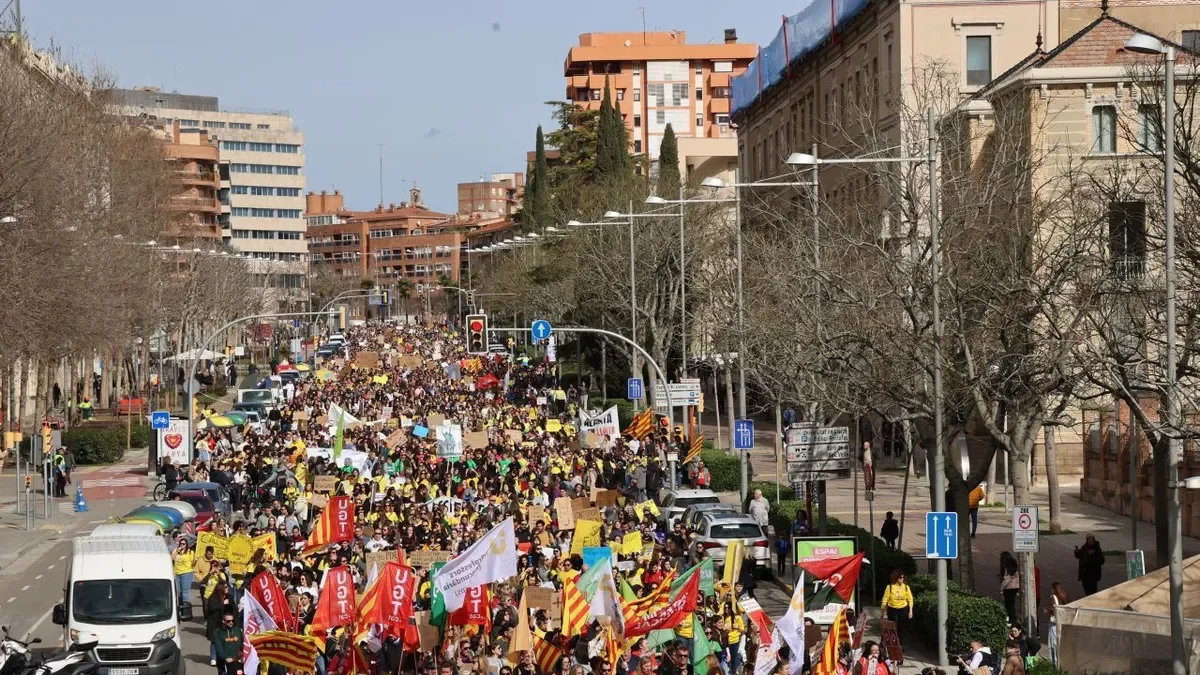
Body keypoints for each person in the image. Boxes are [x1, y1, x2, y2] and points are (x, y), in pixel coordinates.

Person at [880, 570, 914, 643]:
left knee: (901, 627)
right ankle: (893, 643)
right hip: (892, 609)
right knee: (893, 627)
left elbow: (910, 599)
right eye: (900, 577)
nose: (902, 579)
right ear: (896, 578)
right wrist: (882, 612)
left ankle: (900, 644)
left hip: (903, 609)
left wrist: (910, 611)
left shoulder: (906, 587)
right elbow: (885, 599)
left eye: (903, 577)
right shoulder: (890, 587)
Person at [211, 609, 242, 675]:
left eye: (232, 620)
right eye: (228, 621)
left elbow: (242, 643)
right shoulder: (218, 632)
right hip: (224, 662)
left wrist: (243, 655)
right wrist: (225, 657)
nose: (231, 622)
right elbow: (219, 647)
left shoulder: (237, 630)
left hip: (237, 661)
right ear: (223, 621)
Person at [1045, 582, 1067, 666]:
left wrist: (1047, 611)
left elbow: (1054, 609)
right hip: (1060, 622)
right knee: (1059, 643)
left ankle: (1054, 664)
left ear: (1053, 588)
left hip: (1053, 623)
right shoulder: (1063, 595)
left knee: (1052, 644)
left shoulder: (1053, 597)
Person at [171, 538, 196, 605]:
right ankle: (179, 606)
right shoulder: (176, 551)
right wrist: (177, 551)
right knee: (178, 591)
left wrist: (195, 562)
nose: (182, 545)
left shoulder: (190, 552)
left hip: (186, 573)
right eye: (181, 544)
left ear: (186, 545)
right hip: (177, 573)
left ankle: (185, 608)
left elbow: (192, 564)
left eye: (183, 544)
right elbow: (172, 558)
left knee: (184, 592)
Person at [999, 552, 1021, 625]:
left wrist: (1001, 589)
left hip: (1008, 587)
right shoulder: (1014, 564)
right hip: (1015, 587)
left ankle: (1011, 619)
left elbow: (1006, 579)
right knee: (1012, 603)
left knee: (1008, 604)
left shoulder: (1005, 566)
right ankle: (1013, 618)